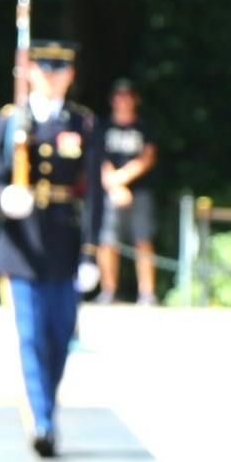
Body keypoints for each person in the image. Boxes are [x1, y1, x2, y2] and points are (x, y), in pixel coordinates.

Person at [0, 40, 96, 458]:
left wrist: (89, 253)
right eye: (44, 69)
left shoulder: (83, 123)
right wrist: (4, 199)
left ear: (69, 76)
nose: (51, 77)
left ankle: (47, 403)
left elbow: (93, 196)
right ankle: (43, 419)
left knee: (60, 334)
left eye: (59, 70)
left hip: (65, 243)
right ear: (30, 72)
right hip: (22, 245)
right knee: (31, 336)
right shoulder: (13, 120)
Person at [95, 78, 159, 305]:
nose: (123, 101)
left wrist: (122, 179)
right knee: (107, 240)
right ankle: (108, 290)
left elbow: (148, 157)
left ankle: (147, 292)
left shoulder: (144, 126)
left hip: (139, 190)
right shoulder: (102, 126)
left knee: (143, 239)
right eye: (119, 96)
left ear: (134, 100)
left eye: (127, 96)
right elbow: (100, 159)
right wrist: (114, 184)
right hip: (110, 189)